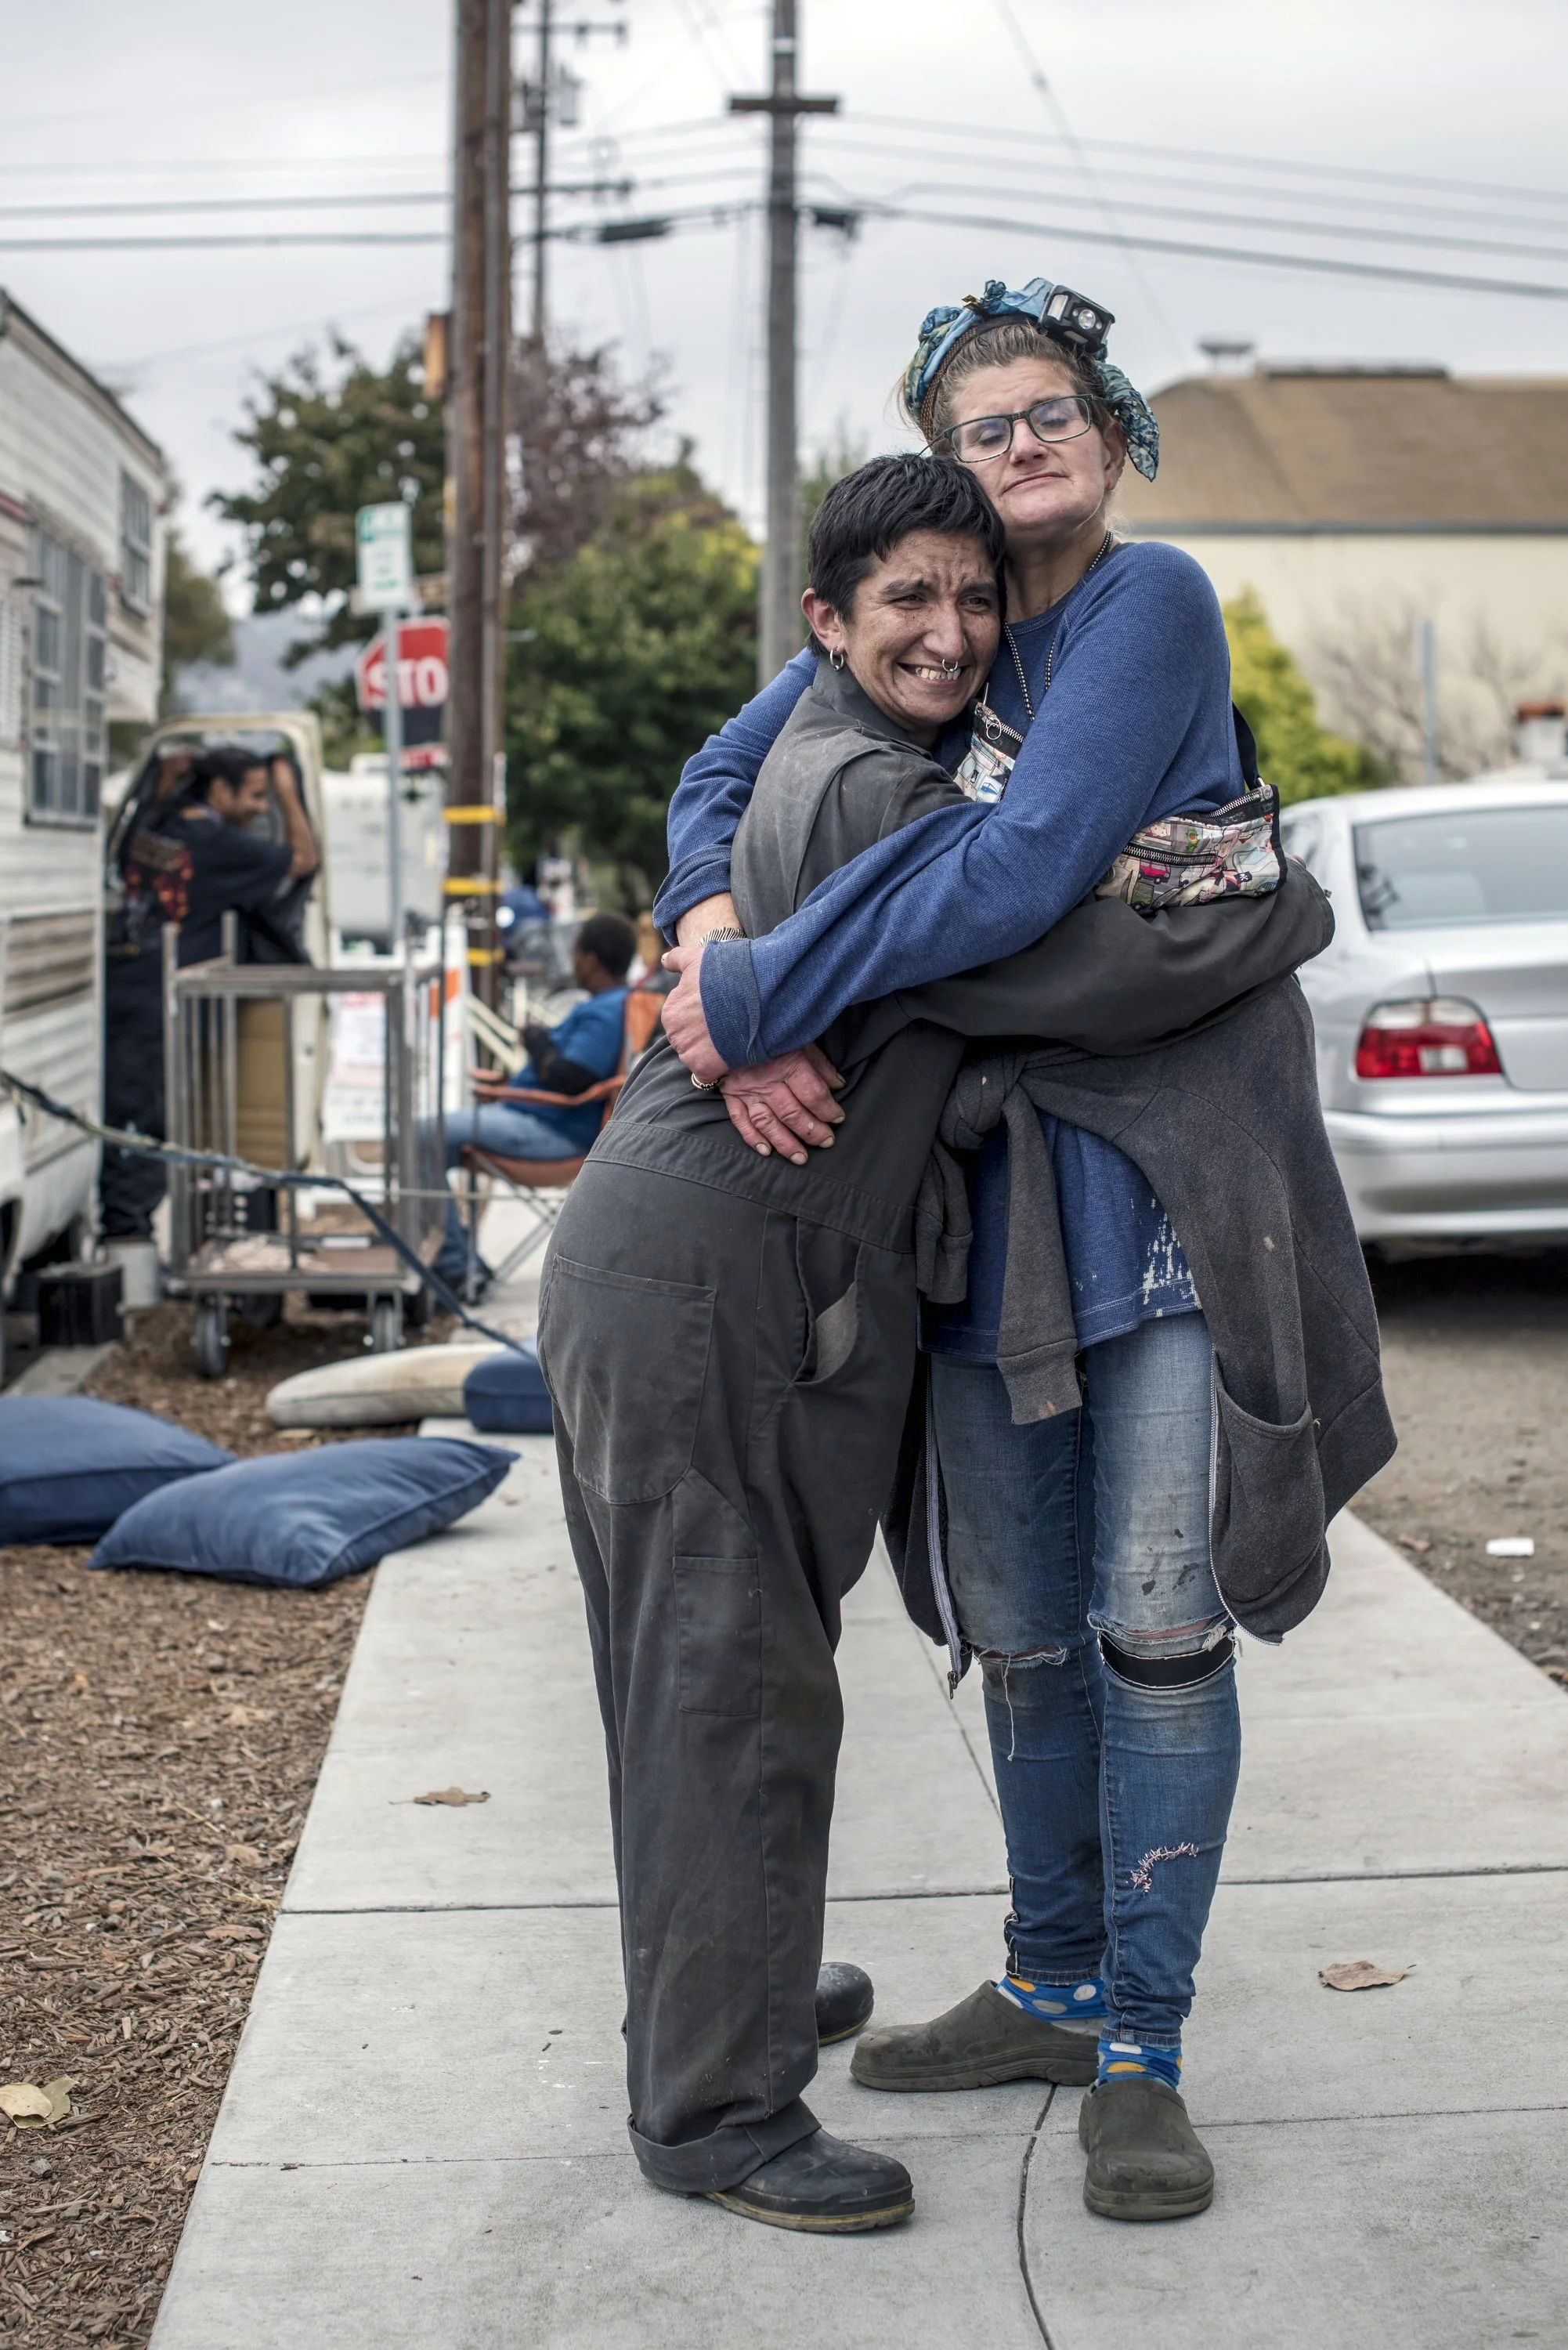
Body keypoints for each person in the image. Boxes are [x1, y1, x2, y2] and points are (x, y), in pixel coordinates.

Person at [653, 277, 1394, 2225]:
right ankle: (1051, 1979)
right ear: (946, 463)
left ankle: (1143, 2045)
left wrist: (763, 995)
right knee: (1021, 1622)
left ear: (1115, 420)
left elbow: (1018, 870)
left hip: (1156, 1197)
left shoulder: (1143, 610)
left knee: (1156, 1619)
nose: (1026, 443)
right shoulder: (944, 618)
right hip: (988, 1209)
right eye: (986, 425)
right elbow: (723, 774)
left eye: (1055, 406)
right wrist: (701, 935)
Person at [101, 745, 318, 1241]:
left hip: (123, 988)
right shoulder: (216, 842)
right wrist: (288, 790)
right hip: (161, 1005)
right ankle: (127, 1240)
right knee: (148, 1119)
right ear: (219, 790)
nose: (262, 808)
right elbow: (304, 860)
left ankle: (124, 1230)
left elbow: (124, 845)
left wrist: (162, 775)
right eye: (256, 795)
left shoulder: (157, 823)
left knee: (125, 1113)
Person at [429, 911, 636, 1292]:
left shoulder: (608, 1010)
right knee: (431, 1137)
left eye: (575, 953)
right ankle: (458, 1257)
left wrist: (537, 1040)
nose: (572, 962)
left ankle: (455, 1266)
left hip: (554, 1132)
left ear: (590, 959)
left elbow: (569, 1080)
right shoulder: (609, 1004)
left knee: (425, 1134)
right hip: (532, 1116)